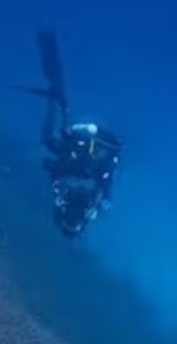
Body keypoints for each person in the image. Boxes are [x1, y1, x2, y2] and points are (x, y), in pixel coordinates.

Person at [21, 30, 123, 237]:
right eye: (75, 222)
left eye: (69, 220)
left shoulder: (66, 199)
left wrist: (56, 168)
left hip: (77, 153)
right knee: (59, 135)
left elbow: (55, 174)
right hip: (90, 149)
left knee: (50, 139)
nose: (74, 216)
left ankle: (54, 95)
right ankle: (56, 92)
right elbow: (109, 170)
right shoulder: (98, 199)